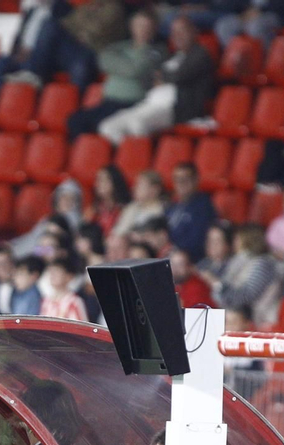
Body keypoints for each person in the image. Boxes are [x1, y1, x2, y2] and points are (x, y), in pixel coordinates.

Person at [98, 17, 215, 145]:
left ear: (194, 32)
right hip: (150, 103)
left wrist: (161, 76)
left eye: (182, 31)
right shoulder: (171, 57)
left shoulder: (200, 54)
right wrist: (162, 77)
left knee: (137, 124)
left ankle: (143, 157)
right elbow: (146, 80)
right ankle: (130, 153)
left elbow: (179, 76)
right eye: (174, 32)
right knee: (108, 126)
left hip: (175, 109)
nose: (177, 36)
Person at [66, 10, 164, 139]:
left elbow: (136, 69)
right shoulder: (121, 47)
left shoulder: (157, 51)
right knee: (75, 120)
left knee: (104, 126)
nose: (142, 29)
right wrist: (130, 66)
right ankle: (85, 155)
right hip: (108, 103)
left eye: (146, 26)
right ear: (132, 26)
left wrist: (118, 66)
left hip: (133, 105)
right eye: (139, 25)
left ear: (154, 28)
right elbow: (103, 59)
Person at [165, 162, 215, 260]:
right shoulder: (172, 206)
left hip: (189, 260)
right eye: (177, 179)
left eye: (185, 179)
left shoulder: (203, 207)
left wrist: (168, 244)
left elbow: (196, 242)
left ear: (195, 180)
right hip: (167, 254)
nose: (180, 183)